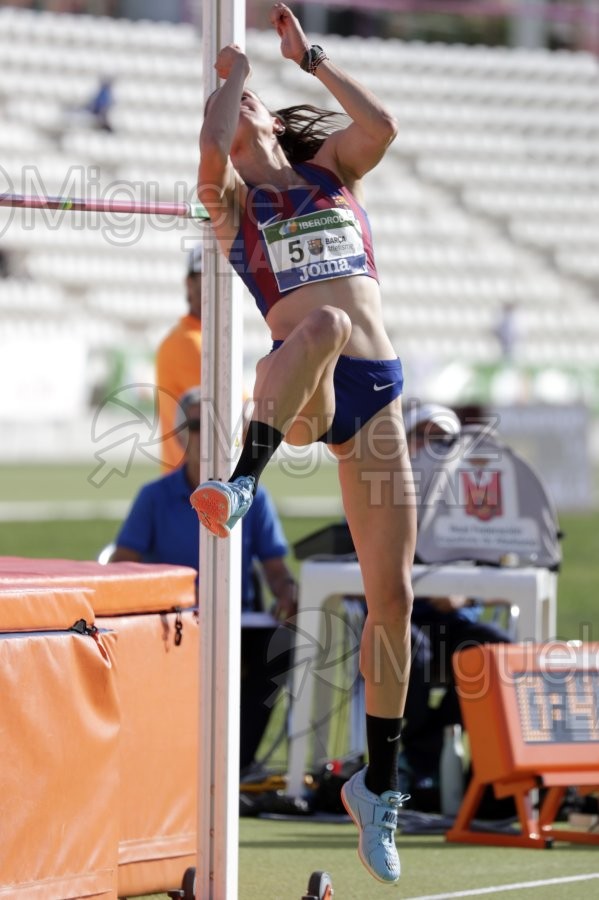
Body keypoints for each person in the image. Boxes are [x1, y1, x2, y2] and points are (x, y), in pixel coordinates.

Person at [191, 3, 416, 884]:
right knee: (318, 320)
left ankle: (380, 785)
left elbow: (383, 126)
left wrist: (308, 57)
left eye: (247, 100)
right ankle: (243, 480)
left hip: (380, 392)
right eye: (232, 101)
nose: (238, 106)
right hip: (304, 392)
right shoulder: (232, 201)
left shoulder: (329, 174)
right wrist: (235, 72)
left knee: (391, 596)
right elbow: (212, 145)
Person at [109, 386, 298, 772]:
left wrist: (288, 595)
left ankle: (235, 762)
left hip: (238, 623)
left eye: (219, 426)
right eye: (198, 425)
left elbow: (277, 570)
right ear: (180, 434)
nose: (208, 435)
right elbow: (120, 565)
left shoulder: (255, 500)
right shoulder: (154, 497)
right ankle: (176, 759)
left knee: (285, 644)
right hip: (172, 624)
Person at [400, 403, 512, 802]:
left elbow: (496, 564)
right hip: (399, 620)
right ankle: (421, 756)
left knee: (498, 651)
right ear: (406, 443)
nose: (433, 448)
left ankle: (487, 775)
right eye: (424, 438)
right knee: (405, 645)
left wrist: (460, 594)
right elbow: (348, 565)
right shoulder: (376, 493)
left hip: (455, 624)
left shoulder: (471, 500)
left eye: (443, 440)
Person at [155, 245, 203, 472]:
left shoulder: (201, 337)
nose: (217, 285)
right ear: (190, 283)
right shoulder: (187, 342)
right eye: (206, 276)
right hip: (193, 485)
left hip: (201, 482)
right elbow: (240, 413)